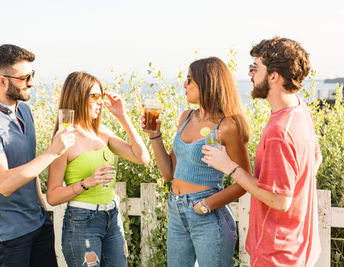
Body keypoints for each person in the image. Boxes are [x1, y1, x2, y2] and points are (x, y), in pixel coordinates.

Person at [201, 37, 322, 266]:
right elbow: (316, 157)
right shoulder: (299, 109)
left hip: (277, 255)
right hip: (300, 247)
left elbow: (280, 201)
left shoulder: (279, 132)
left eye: (254, 68)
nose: (250, 75)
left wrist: (229, 166)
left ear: (273, 76)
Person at [0, 44, 75, 267]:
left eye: (32, 75)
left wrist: (42, 207)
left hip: (38, 225)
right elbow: (5, 183)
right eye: (25, 77)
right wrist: (53, 152)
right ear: (3, 81)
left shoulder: (24, 111)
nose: (32, 82)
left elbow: (29, 163)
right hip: (9, 236)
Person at [142, 57, 251, 267]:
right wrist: (154, 135)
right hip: (176, 209)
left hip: (207, 215)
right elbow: (169, 174)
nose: (184, 85)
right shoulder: (186, 117)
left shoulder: (226, 126)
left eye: (189, 80)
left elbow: (244, 182)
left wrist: (206, 205)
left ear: (207, 83)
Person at [46, 71, 150, 267]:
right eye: (94, 96)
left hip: (112, 216)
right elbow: (52, 196)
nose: (100, 101)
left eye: (101, 96)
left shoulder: (101, 133)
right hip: (82, 222)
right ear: (77, 98)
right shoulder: (65, 139)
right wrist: (87, 183)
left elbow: (142, 158)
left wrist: (123, 117)